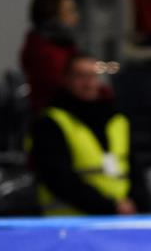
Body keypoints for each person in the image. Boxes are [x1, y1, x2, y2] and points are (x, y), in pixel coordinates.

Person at [30, 54, 137, 216]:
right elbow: (59, 179)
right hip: (69, 224)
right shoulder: (50, 123)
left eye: (93, 76)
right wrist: (110, 207)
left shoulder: (117, 120)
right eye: (80, 76)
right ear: (66, 79)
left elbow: (135, 170)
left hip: (118, 220)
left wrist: (135, 203)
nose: (88, 83)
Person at [20, 0, 81, 115]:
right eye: (70, 11)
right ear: (53, 17)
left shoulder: (62, 46)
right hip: (55, 120)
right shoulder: (46, 54)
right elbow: (69, 91)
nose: (76, 17)